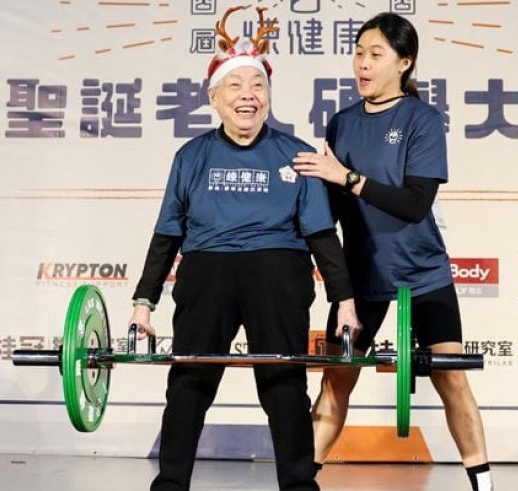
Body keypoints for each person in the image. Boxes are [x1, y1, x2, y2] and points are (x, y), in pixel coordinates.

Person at [128, 6, 359, 491]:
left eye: (257, 87)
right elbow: (167, 233)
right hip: (207, 270)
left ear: (269, 98)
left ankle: (299, 486)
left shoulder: (296, 154)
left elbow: (321, 234)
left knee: (283, 382)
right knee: (189, 380)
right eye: (235, 86)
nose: (247, 96)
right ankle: (170, 485)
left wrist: (345, 300)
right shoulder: (191, 156)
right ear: (214, 98)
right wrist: (143, 303)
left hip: (278, 269)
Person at [292, 12, 493, 491]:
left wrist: (349, 177)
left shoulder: (422, 120)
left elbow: (413, 203)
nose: (363, 64)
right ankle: (302, 481)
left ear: (405, 62)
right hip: (363, 282)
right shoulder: (341, 123)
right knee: (337, 382)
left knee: (452, 378)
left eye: (375, 54)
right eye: (359, 52)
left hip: (425, 275)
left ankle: (483, 484)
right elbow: (334, 212)